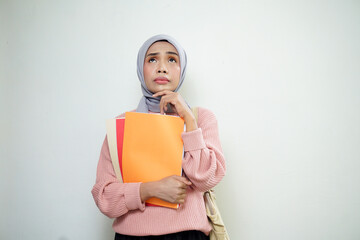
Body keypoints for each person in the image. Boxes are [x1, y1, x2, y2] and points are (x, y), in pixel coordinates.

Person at [92, 34, 226, 240]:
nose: (162, 67)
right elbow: (104, 197)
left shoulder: (200, 118)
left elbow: (206, 178)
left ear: (182, 69)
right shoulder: (122, 124)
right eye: (152, 59)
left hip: (188, 236)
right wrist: (151, 190)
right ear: (140, 69)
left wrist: (188, 120)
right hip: (132, 237)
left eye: (172, 59)